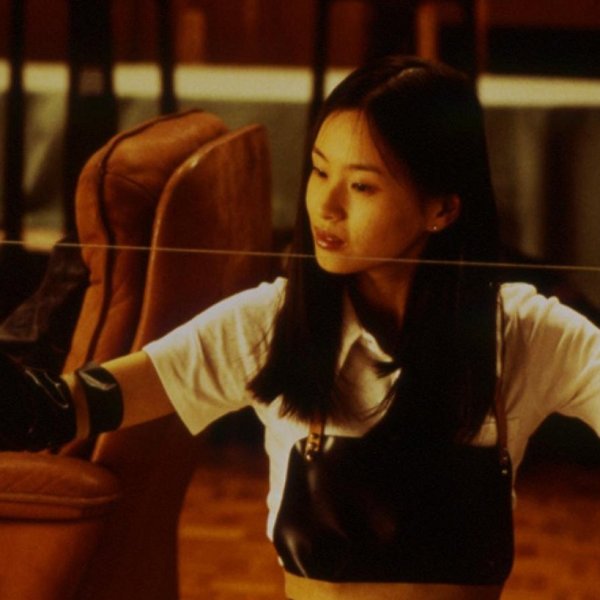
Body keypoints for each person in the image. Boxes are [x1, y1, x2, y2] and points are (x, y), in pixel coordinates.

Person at [1, 55, 600, 599]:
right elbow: (63, 407)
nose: (326, 206)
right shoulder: (273, 322)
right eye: (318, 171)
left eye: (361, 185)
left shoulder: (521, 334)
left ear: (442, 208)